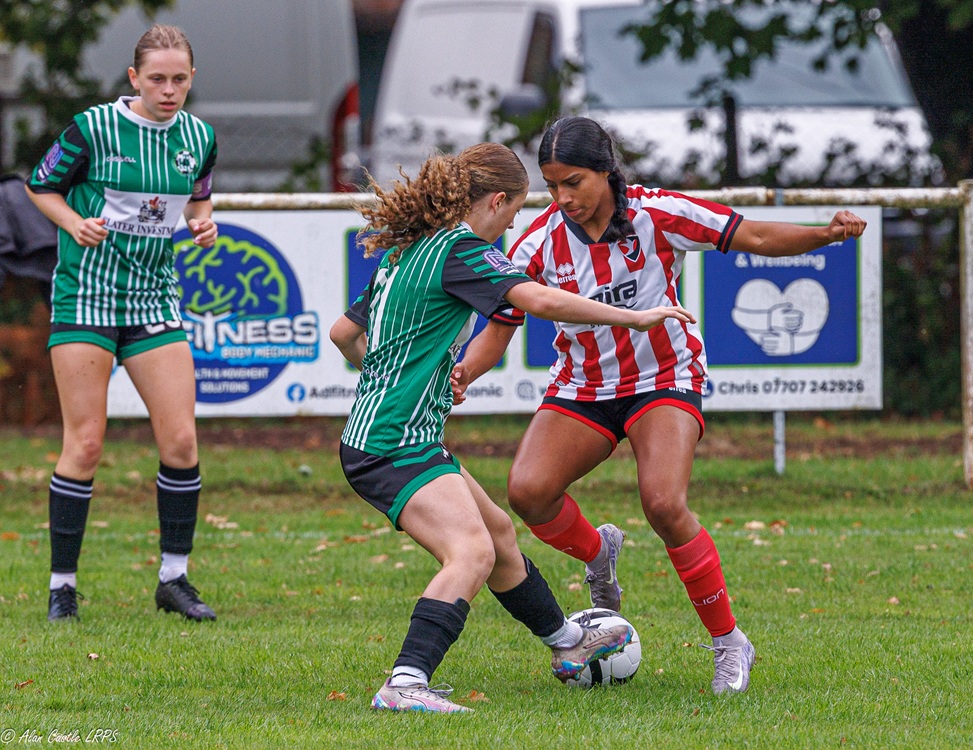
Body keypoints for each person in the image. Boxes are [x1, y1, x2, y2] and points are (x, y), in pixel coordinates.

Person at [453, 116, 868, 695]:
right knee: (529, 492)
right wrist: (463, 373)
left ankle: (730, 642)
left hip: (663, 379)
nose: (563, 198)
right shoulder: (538, 243)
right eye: (551, 186)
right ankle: (599, 552)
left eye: (573, 182)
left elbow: (751, 236)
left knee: (664, 504)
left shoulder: (656, 214)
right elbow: (499, 329)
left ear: (605, 171)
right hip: (583, 388)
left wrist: (824, 234)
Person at [329, 142, 696, 713]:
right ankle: (404, 684)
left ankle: (568, 642)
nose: (513, 225)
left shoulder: (411, 249)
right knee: (471, 552)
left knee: (499, 535)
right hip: (392, 443)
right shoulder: (461, 249)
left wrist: (398, 375)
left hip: (393, 434)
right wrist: (635, 316)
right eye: (517, 210)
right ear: (497, 201)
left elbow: (342, 334)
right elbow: (541, 301)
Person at [25, 24, 219, 623]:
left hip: (153, 300)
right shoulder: (92, 128)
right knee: (85, 443)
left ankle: (174, 579)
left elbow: (199, 193)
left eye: (179, 79)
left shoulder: (199, 137)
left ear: (191, 78)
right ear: (134, 78)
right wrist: (71, 222)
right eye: (157, 79)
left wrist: (202, 221)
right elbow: (40, 185)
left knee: (181, 441)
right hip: (86, 297)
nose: (169, 90)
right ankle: (62, 587)